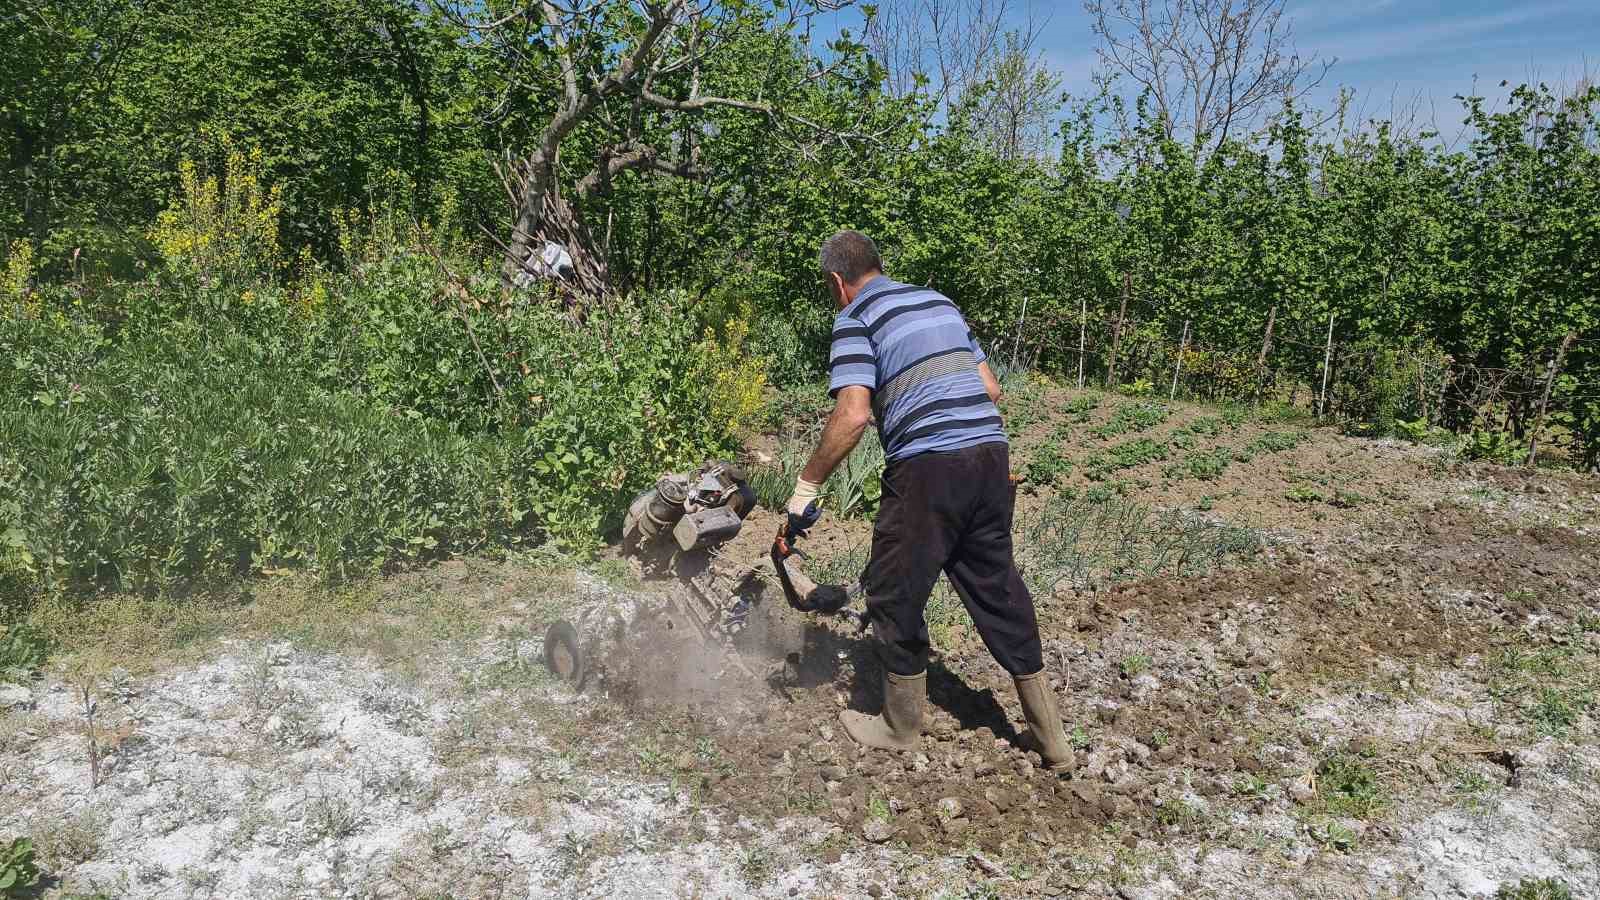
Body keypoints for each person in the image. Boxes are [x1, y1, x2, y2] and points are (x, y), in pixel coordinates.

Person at [784, 229, 1072, 768]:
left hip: (928, 468)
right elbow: (990, 389)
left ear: (837, 282)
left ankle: (898, 726)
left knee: (893, 592)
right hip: (990, 458)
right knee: (995, 586)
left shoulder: (855, 319)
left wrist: (807, 485)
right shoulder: (938, 300)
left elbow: (852, 414)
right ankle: (1051, 737)